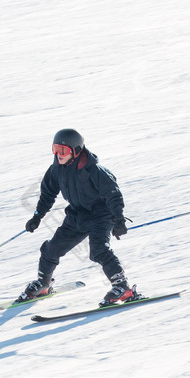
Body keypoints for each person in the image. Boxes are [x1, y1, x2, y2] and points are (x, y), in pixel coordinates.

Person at [18, 128, 136, 307]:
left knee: (99, 251)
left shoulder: (95, 170)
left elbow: (113, 194)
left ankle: (123, 287)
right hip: (77, 215)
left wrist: (118, 219)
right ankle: (43, 284)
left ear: (76, 150)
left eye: (63, 150)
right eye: (55, 149)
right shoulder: (56, 169)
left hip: (101, 216)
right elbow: (47, 194)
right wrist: (37, 216)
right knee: (51, 249)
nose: (58, 154)